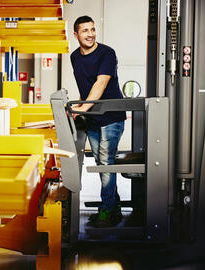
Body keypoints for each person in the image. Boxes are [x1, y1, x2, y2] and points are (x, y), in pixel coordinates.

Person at [70, 15, 126, 228]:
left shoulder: (107, 53)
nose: (90, 34)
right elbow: (84, 85)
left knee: (105, 162)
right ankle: (113, 209)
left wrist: (83, 107)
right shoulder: (75, 57)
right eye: (85, 30)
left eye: (92, 29)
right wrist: (83, 109)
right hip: (93, 119)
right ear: (76, 34)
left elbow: (100, 84)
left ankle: (106, 211)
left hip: (111, 117)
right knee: (103, 164)